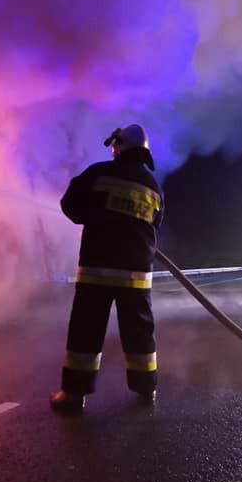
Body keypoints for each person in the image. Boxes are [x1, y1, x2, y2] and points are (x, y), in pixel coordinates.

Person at [50, 124, 164, 413]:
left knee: (85, 333)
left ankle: (74, 396)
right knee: (140, 333)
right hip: (136, 276)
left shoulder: (99, 173)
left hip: (96, 272)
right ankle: (146, 389)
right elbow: (155, 224)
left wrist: (91, 216)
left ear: (120, 146)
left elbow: (69, 203)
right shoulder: (154, 187)